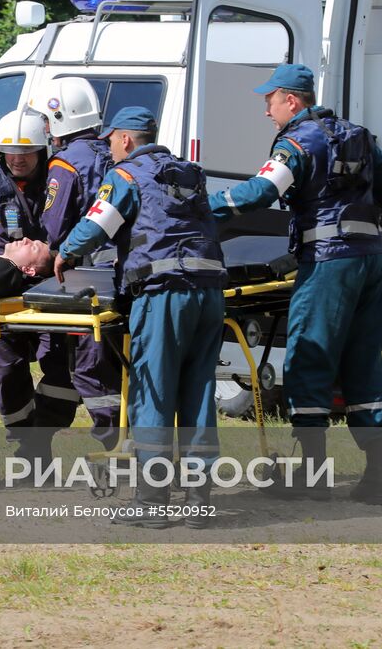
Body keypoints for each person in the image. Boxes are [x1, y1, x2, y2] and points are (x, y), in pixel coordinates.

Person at [208, 64, 382, 505]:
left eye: (269, 101)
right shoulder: (357, 133)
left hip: (328, 265)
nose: (267, 111)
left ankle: (313, 477)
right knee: (364, 365)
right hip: (370, 262)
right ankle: (377, 478)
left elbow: (260, 192)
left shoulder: (298, 141)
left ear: (292, 100)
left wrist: (199, 207)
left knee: (308, 358)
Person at [54, 106, 228, 529]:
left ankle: (151, 503)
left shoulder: (127, 176)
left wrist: (64, 253)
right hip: (209, 291)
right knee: (199, 391)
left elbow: (97, 226)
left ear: (126, 139)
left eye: (111, 140)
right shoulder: (189, 172)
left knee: (154, 389)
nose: (109, 149)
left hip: (165, 294)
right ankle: (197, 501)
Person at [0, 107, 75, 450]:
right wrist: (38, 262)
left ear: (42, 149)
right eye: (11, 152)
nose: (18, 159)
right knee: (6, 372)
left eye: (27, 152)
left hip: (49, 289)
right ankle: (24, 444)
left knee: (64, 366)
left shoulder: (58, 178)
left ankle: (42, 435)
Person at [32, 77, 123, 448]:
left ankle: (113, 442)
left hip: (85, 282)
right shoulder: (113, 154)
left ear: (57, 118)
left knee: (86, 365)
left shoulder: (66, 165)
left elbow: (52, 231)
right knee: (103, 363)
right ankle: (45, 433)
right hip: (123, 278)